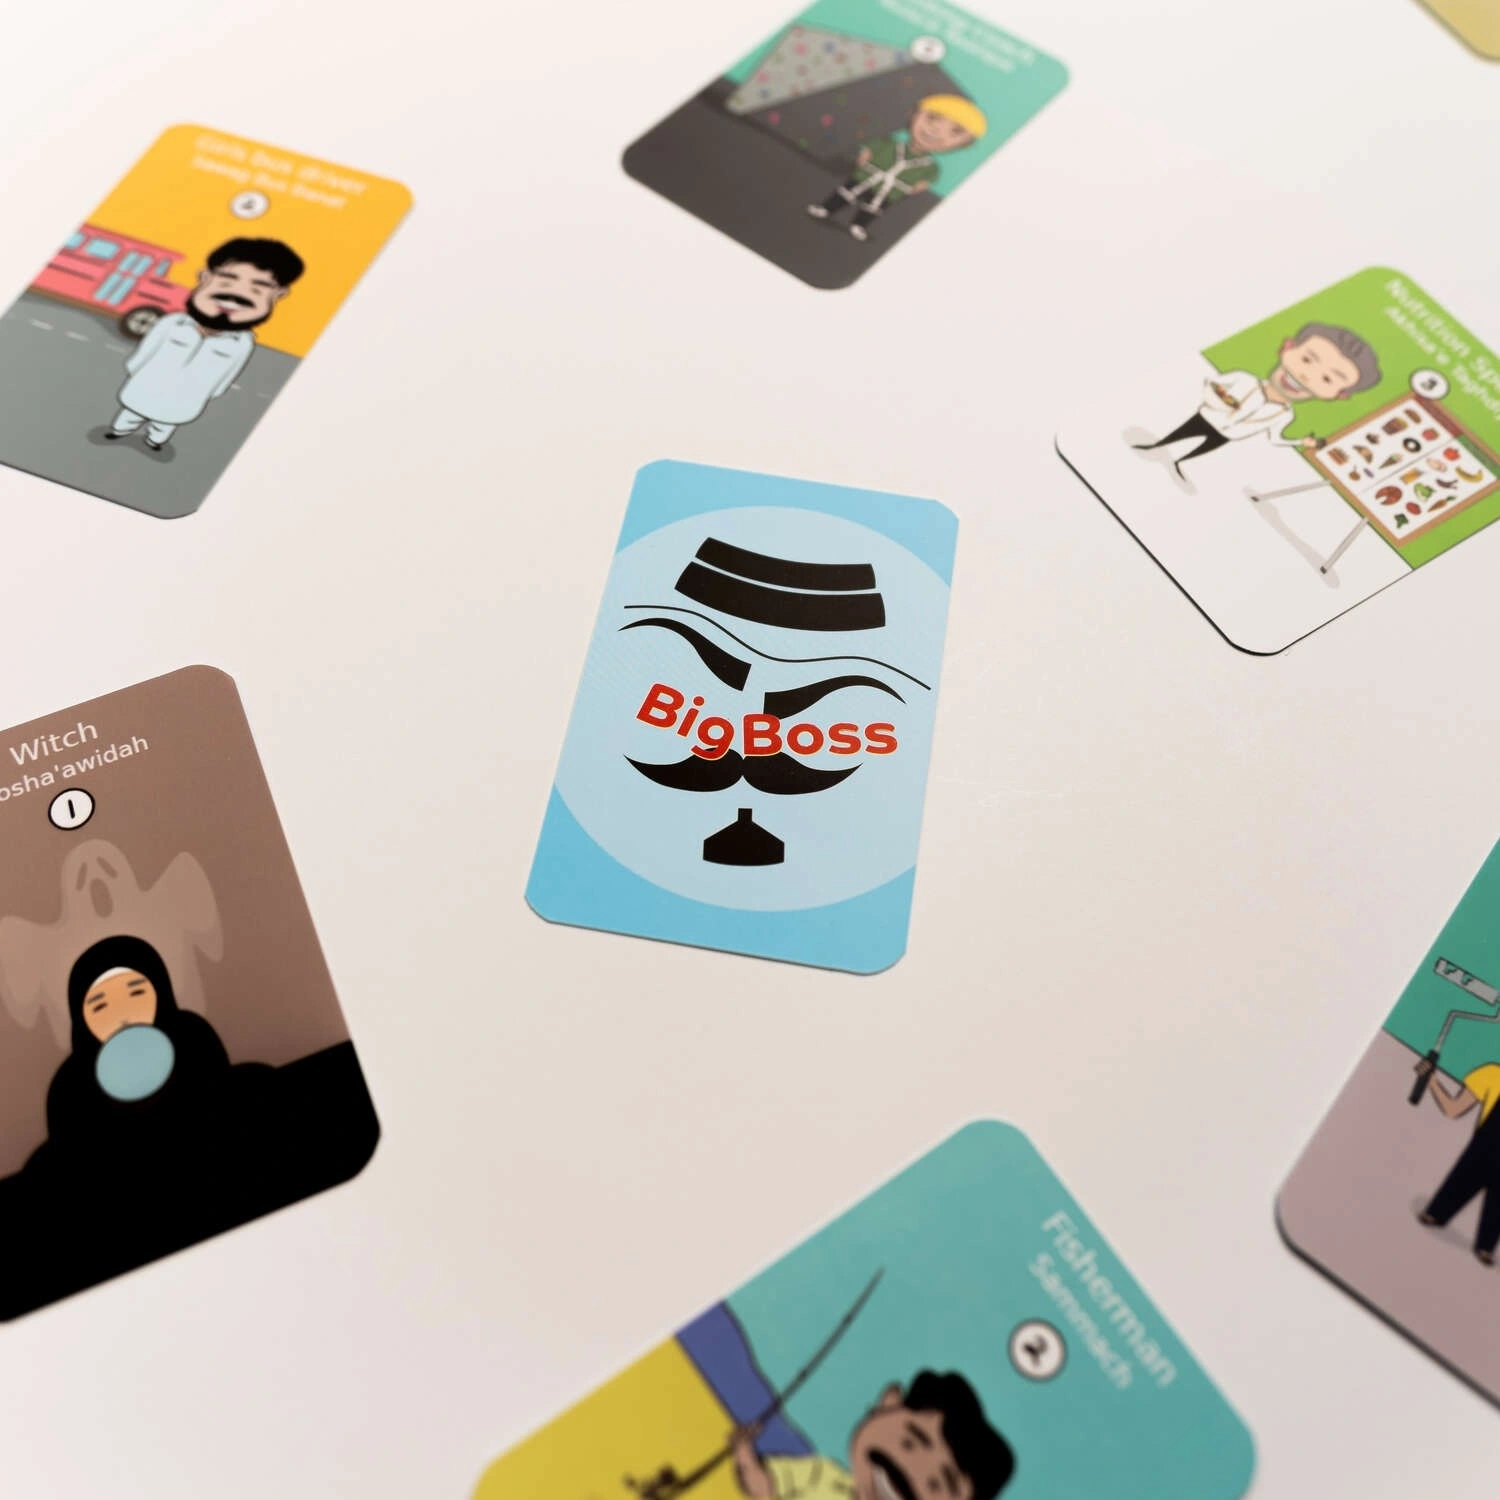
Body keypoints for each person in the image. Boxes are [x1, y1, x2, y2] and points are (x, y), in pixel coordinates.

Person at [103, 237, 304, 452]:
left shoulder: (242, 343)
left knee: (166, 423)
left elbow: (227, 375)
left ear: (278, 294)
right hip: (143, 387)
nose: (236, 296)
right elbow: (143, 353)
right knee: (132, 412)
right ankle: (119, 430)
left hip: (186, 400)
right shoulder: (172, 323)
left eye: (257, 288)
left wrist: (207, 392)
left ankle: (154, 441)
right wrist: (137, 373)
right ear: (205, 277)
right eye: (227, 281)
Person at [1132, 322, 1382, 482]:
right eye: (1307, 359)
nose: (1307, 375)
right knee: (1180, 433)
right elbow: (1210, 384)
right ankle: (1155, 446)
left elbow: (1275, 438)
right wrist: (1220, 401)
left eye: (1327, 379)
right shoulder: (1244, 379)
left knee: (1202, 450)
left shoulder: (1284, 414)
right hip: (1209, 416)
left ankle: (1178, 463)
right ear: (1287, 348)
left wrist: (1301, 442)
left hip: (1229, 435)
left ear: (1338, 395)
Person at [730, 1371, 1014, 1500]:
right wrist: (743, 1451)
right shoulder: (822, 1475)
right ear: (889, 1402)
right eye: (909, 1443)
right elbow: (762, 1485)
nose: (911, 1476)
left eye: (937, 1485)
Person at [806, 97, 987, 242]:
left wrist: (917, 187)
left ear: (965, 144)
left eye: (956, 131)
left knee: (873, 208)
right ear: (914, 115)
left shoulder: (930, 166)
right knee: (846, 193)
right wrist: (865, 157)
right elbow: (870, 149)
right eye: (932, 118)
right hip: (866, 176)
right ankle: (826, 209)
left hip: (891, 190)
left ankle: (858, 225)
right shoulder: (890, 143)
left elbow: (927, 179)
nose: (936, 130)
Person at [1415, 1053, 1500, 1266]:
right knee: (1462, 1179)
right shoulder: (1492, 1075)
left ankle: (1486, 1246)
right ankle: (1436, 1213)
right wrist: (1431, 1080)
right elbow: (1454, 1109)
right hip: (1481, 1151)